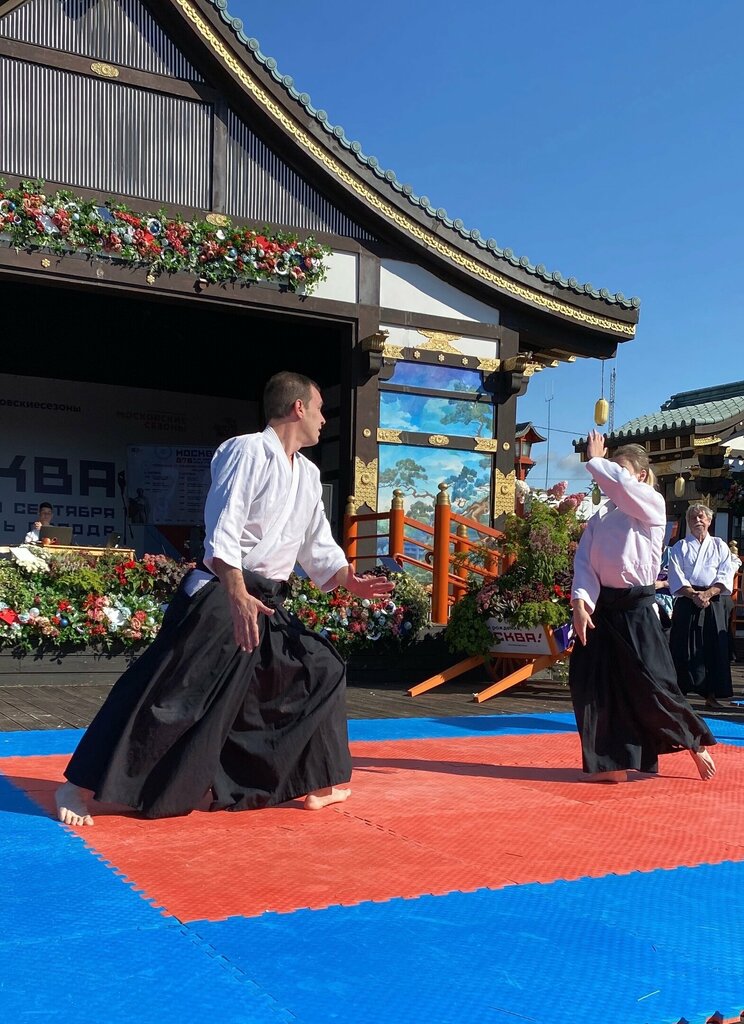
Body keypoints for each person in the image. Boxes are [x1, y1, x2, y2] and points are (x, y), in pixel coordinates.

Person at [56, 371, 394, 826]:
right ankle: (77, 786)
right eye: (319, 410)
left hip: (266, 597)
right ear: (297, 408)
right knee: (172, 695)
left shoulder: (309, 475)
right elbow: (224, 525)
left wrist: (350, 582)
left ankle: (316, 781)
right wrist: (235, 594)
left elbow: (317, 545)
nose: (323, 421)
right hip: (222, 589)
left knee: (319, 667)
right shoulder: (247, 450)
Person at [569, 431, 716, 784]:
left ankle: (695, 742)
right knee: (593, 683)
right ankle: (612, 762)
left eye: (620, 468)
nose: (611, 473)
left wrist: (596, 460)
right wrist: (580, 603)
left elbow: (619, 485)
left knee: (653, 686)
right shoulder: (602, 515)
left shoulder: (650, 502)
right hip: (603, 608)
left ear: (637, 474)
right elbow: (585, 564)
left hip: (636, 608)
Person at [668, 504, 735, 709]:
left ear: (709, 521)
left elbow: (726, 573)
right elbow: (675, 574)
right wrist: (693, 594)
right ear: (688, 523)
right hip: (688, 599)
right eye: (693, 518)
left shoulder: (719, 545)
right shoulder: (680, 546)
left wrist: (708, 593)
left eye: (701, 517)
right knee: (682, 647)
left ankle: (711, 695)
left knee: (715, 647)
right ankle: (679, 695)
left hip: (713, 599)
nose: (698, 520)